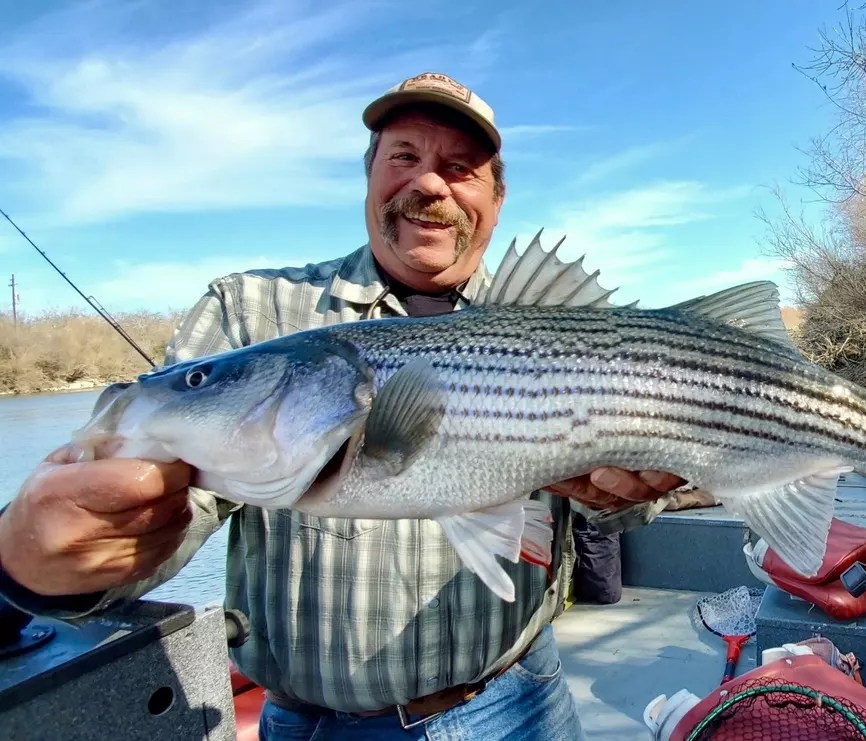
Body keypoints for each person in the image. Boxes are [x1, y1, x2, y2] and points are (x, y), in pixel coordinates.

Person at [0, 72, 686, 740]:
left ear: (497, 200)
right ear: (369, 177)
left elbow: (624, 506)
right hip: (306, 722)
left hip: (517, 704)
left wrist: (630, 494)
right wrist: (45, 564)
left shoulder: (556, 322)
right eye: (405, 156)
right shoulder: (252, 310)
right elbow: (172, 509)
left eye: (459, 167)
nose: (429, 184)